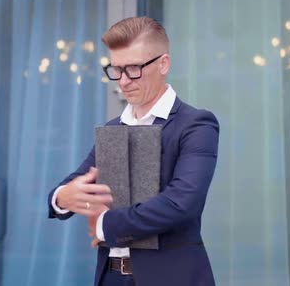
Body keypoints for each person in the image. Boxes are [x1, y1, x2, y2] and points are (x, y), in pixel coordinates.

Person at [47, 17, 219, 286]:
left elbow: (180, 203)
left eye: (134, 68)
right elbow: (73, 183)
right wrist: (62, 197)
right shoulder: (114, 128)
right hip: (111, 278)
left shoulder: (196, 124)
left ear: (163, 63)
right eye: (116, 69)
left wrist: (105, 225)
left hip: (172, 279)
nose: (123, 81)